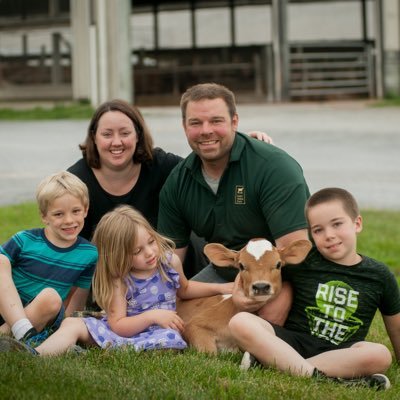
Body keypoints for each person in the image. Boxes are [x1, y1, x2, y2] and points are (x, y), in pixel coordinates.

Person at [157, 83, 310, 324]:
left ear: (235, 121)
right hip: (226, 271)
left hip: (278, 276)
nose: (206, 131)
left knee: (267, 317)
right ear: (184, 126)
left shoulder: (275, 168)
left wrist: (283, 295)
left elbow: (296, 256)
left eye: (216, 121)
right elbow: (168, 262)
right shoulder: (178, 182)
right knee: (173, 313)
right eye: (196, 123)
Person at [67, 99, 272, 278]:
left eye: (125, 133)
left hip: (168, 263)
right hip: (108, 271)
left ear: (138, 135)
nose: (117, 142)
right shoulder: (77, 180)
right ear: (94, 137)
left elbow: (207, 165)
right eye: (107, 134)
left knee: (190, 236)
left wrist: (241, 144)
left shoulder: (161, 165)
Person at [0, 205, 233, 355]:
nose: (150, 253)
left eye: (151, 242)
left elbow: (186, 288)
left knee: (171, 339)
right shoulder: (120, 280)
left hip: (160, 333)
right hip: (125, 330)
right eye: (137, 251)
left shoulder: (169, 262)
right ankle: (36, 355)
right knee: (73, 324)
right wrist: (152, 315)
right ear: (120, 256)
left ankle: (68, 350)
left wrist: (223, 287)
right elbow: (118, 325)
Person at [229, 187, 400, 391]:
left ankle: (275, 364)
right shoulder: (303, 261)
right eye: (318, 230)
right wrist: (237, 293)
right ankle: (329, 378)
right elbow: (260, 265)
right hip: (292, 342)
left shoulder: (379, 275)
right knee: (240, 322)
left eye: (337, 224)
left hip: (343, 352)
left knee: (380, 354)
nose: (329, 235)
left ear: (357, 223)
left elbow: (396, 328)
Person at [0, 171, 98, 346]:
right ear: (44, 216)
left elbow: (77, 299)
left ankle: (14, 332)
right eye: (58, 214)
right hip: (5, 309)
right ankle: (15, 331)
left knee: (51, 297)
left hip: (40, 316)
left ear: (86, 210)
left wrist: (67, 328)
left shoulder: (89, 254)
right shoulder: (24, 240)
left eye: (75, 211)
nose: (69, 220)